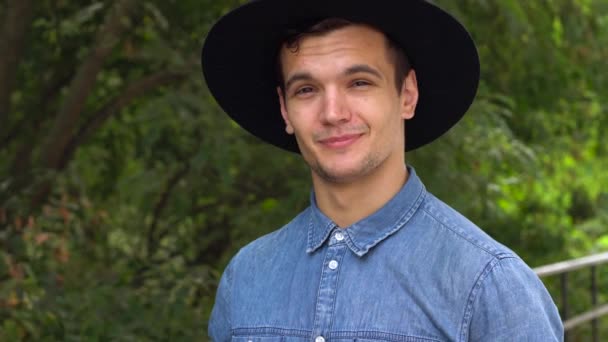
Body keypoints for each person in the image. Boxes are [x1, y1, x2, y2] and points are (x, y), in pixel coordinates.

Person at [201, 0, 563, 341]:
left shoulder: (488, 285)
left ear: (407, 94)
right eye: (306, 89)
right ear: (284, 110)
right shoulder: (246, 278)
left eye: (359, 83)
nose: (333, 112)